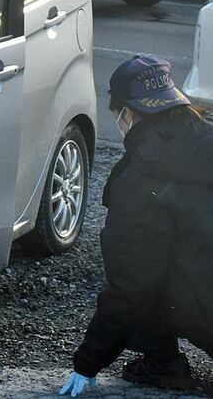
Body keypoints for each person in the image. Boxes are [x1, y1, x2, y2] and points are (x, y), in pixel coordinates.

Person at [58, 55, 213, 397]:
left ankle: (162, 363)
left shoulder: (140, 181)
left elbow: (132, 286)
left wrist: (87, 363)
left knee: (136, 275)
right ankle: (162, 363)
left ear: (125, 113)